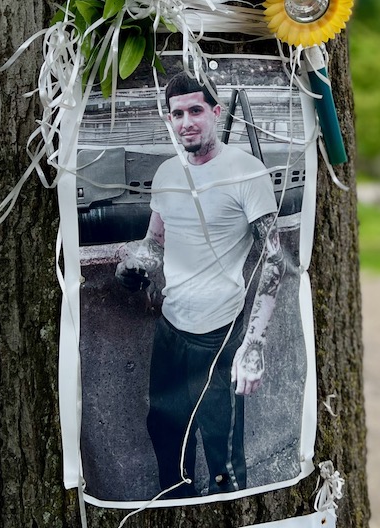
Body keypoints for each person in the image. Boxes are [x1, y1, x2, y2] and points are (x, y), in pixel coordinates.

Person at [114, 70, 286, 498]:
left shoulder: (246, 173)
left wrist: (254, 345)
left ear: (216, 112)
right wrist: (133, 266)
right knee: (166, 433)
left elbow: (274, 260)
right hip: (171, 329)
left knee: (222, 451)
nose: (186, 122)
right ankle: (177, 509)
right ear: (169, 120)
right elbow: (155, 241)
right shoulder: (166, 174)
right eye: (177, 114)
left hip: (219, 334)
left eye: (195, 111)